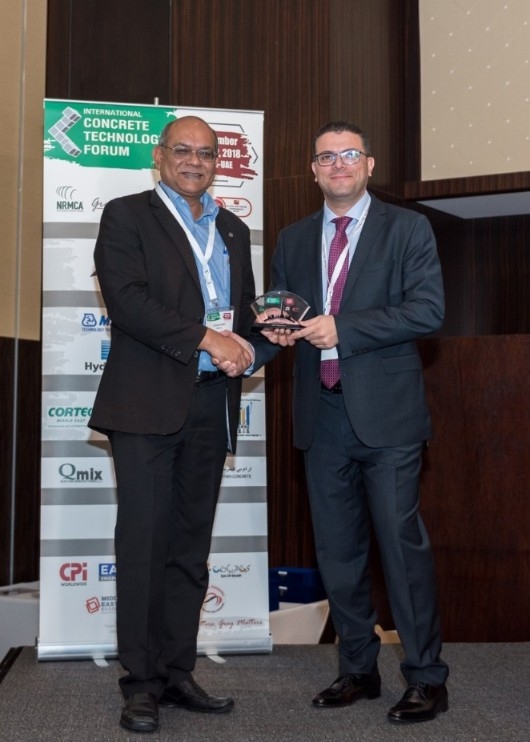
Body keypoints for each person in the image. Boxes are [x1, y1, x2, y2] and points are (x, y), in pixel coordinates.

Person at [256, 120, 449, 723]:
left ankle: (426, 677)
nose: (337, 165)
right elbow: (283, 309)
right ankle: (358, 669)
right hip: (322, 415)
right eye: (326, 157)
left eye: (348, 155)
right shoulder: (293, 238)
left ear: (369, 165)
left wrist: (345, 328)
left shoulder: (408, 228)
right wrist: (273, 333)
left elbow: (429, 311)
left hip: (388, 417)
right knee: (337, 552)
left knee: (400, 546)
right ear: (313, 171)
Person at [88, 116, 256, 733]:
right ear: (159, 156)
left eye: (206, 153)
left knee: (189, 548)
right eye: (182, 150)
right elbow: (128, 301)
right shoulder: (127, 215)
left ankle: (178, 671)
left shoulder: (233, 228)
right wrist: (208, 338)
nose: (194, 161)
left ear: (217, 163)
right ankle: (141, 683)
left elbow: (242, 313)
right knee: (144, 546)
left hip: (212, 404)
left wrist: (259, 341)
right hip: (146, 406)